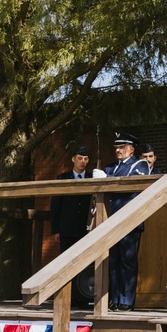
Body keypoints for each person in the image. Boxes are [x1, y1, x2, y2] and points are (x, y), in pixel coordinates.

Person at [96, 132, 148, 311]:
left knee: (127, 261)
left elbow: (131, 186)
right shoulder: (111, 168)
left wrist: (106, 180)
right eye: (116, 147)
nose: (118, 150)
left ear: (131, 149)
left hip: (129, 221)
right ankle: (115, 299)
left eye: (122, 147)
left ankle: (126, 300)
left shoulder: (139, 164)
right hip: (111, 221)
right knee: (114, 261)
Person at [50, 145, 93, 253]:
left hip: (86, 228)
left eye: (85, 159)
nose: (82, 161)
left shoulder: (92, 177)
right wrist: (56, 230)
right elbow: (55, 205)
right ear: (73, 159)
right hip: (67, 229)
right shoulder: (62, 178)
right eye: (80, 158)